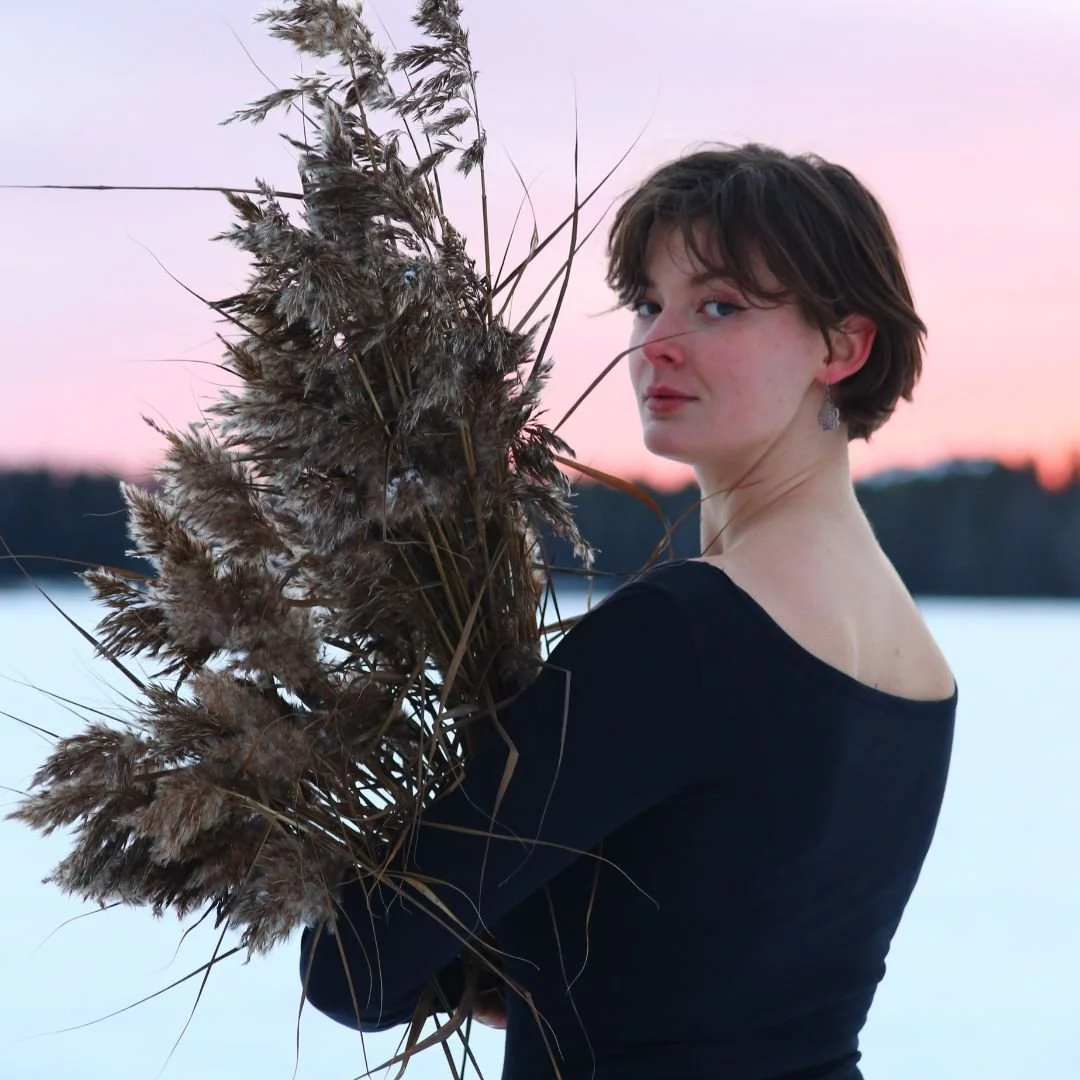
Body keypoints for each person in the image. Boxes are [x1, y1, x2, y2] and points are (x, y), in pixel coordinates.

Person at [300, 143, 959, 1079]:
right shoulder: (917, 660)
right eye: (648, 303)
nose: (657, 344)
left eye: (719, 306)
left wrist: (479, 957)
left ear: (843, 346)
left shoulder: (684, 634)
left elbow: (355, 965)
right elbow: (721, 934)